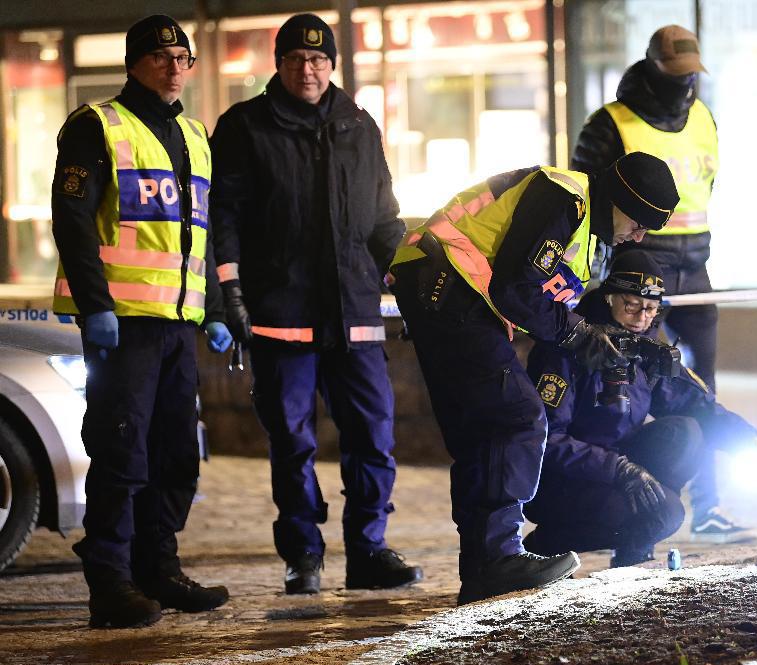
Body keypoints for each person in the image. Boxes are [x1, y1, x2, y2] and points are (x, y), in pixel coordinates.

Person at [389, 152, 679, 604]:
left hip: (443, 290)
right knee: (519, 416)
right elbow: (514, 289)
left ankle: (483, 569)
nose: (637, 235)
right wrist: (578, 335)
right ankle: (500, 555)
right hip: (447, 284)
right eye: (639, 222)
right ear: (619, 198)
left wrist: (603, 341)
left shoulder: (583, 237)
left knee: (480, 434)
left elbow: (540, 305)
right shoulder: (563, 197)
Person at [209, 13, 422, 595]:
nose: (309, 70)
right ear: (278, 65)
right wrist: (229, 293)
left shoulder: (358, 124)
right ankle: (303, 553)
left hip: (354, 311)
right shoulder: (244, 128)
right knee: (293, 442)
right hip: (282, 312)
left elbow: (383, 218)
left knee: (373, 435)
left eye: (319, 60)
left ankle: (368, 549)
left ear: (332, 65)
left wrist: (412, 274)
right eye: (297, 60)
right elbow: (221, 219)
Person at [51, 15, 233, 628]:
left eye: (183, 57)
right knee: (121, 453)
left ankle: (159, 568)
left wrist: (209, 307)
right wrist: (96, 305)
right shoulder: (96, 126)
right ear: (134, 64)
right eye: (160, 57)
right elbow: (73, 221)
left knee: (176, 455)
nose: (174, 67)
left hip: (178, 323)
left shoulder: (194, 134)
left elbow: (197, 234)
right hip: (123, 324)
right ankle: (110, 583)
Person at [571, 25, 747, 541]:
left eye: (691, 74)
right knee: (642, 384)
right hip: (641, 270)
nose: (685, 83)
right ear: (651, 69)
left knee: (701, 387)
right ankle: (635, 502)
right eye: (676, 74)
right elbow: (590, 199)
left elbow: (707, 185)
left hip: (697, 267)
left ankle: (711, 507)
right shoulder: (610, 123)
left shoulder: (703, 116)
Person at [522, 251, 757, 565]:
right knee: (665, 514)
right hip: (560, 480)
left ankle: (633, 552)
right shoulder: (571, 347)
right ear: (609, 297)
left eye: (651, 308)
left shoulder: (646, 349)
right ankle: (548, 545)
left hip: (613, 468)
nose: (641, 316)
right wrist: (620, 469)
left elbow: (693, 404)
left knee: (685, 432)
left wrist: (744, 438)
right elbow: (547, 441)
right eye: (632, 305)